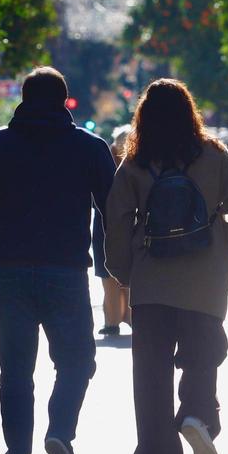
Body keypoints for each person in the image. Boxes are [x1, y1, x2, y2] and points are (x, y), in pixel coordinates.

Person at [0, 67, 115, 454]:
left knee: (17, 371)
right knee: (77, 361)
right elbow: (113, 211)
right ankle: (59, 431)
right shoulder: (89, 148)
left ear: (23, 97)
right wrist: (122, 263)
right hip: (66, 273)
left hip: (11, 274)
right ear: (64, 100)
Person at [104, 79, 228, 454]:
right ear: (190, 112)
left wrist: (123, 271)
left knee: (151, 369)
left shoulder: (135, 161)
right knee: (202, 354)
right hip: (205, 277)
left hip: (152, 279)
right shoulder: (214, 154)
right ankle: (197, 416)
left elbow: (117, 221)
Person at [96, 126, 131, 337]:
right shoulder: (139, 165)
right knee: (125, 274)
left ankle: (113, 320)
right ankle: (124, 316)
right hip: (126, 225)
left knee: (108, 275)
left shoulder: (107, 163)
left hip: (105, 225)